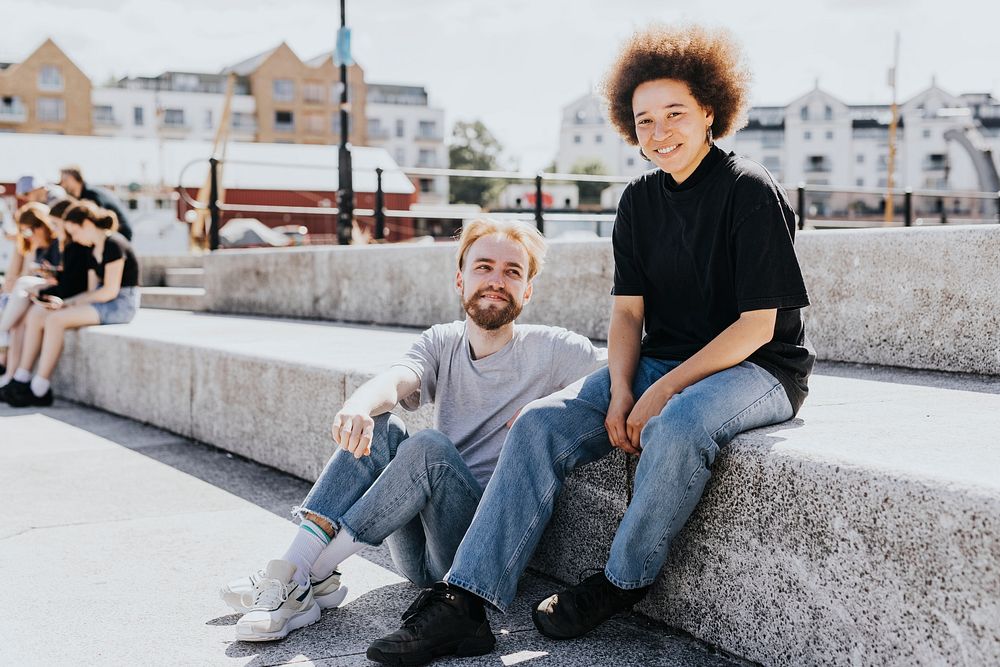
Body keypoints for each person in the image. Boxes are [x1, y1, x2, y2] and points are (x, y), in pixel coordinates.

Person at [371, 24, 814, 665]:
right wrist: (622, 386)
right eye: (644, 120)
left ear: (712, 112)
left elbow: (757, 326)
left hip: (758, 368)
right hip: (663, 358)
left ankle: (621, 580)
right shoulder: (637, 200)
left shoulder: (749, 191)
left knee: (680, 424)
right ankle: (465, 603)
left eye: (675, 114)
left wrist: (658, 392)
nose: (659, 133)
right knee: (539, 423)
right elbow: (629, 314)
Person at [219, 218, 607, 644]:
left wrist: (549, 403)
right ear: (460, 281)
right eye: (484, 267)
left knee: (429, 447)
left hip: (474, 548)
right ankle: (305, 576)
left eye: (512, 272)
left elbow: (617, 375)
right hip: (419, 550)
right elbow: (398, 378)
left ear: (527, 290)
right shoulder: (442, 341)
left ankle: (299, 574)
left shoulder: (554, 349)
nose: (496, 280)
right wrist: (358, 405)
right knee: (384, 423)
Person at [4, 201, 140, 407]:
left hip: (120, 304)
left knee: (56, 320)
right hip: (102, 299)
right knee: (40, 315)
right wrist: (66, 302)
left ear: (86, 224)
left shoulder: (114, 244)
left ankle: (40, 387)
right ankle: (22, 378)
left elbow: (109, 291)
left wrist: (67, 304)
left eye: (74, 232)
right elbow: (92, 290)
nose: (73, 238)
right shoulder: (93, 248)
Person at [0, 199, 90, 396]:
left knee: (26, 309)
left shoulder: (68, 245)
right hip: (46, 295)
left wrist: (43, 286)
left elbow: (70, 283)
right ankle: (14, 376)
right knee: (20, 318)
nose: (27, 236)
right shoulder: (43, 245)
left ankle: (24, 377)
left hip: (60, 296)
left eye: (56, 225)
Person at [0, 202, 61, 369]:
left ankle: (1, 332)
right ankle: (10, 375)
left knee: (21, 290)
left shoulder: (57, 244)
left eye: (27, 231)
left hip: (51, 296)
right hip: (33, 296)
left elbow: (65, 277)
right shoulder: (39, 247)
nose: (26, 236)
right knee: (17, 323)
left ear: (41, 226)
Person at [58, 165, 133, 240]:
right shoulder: (85, 194)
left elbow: (97, 222)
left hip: (119, 233)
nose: (62, 184)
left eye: (65, 180)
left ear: (75, 178)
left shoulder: (91, 195)